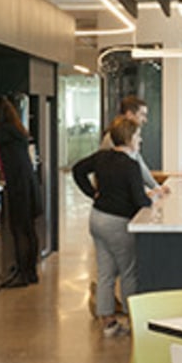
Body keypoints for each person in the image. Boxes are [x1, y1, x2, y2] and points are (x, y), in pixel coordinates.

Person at [72, 117, 152, 331]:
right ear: (128, 138)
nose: (140, 139)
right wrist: (152, 197)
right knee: (128, 272)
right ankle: (132, 320)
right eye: (137, 136)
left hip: (97, 218)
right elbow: (139, 201)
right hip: (117, 224)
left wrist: (93, 193)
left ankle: (107, 322)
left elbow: (77, 170)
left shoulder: (102, 157)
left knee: (106, 272)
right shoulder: (131, 165)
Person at [0, 96, 43, 289]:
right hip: (27, 183)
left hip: (19, 186)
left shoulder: (5, 130)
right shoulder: (14, 130)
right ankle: (30, 272)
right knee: (28, 229)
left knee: (19, 230)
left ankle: (23, 273)